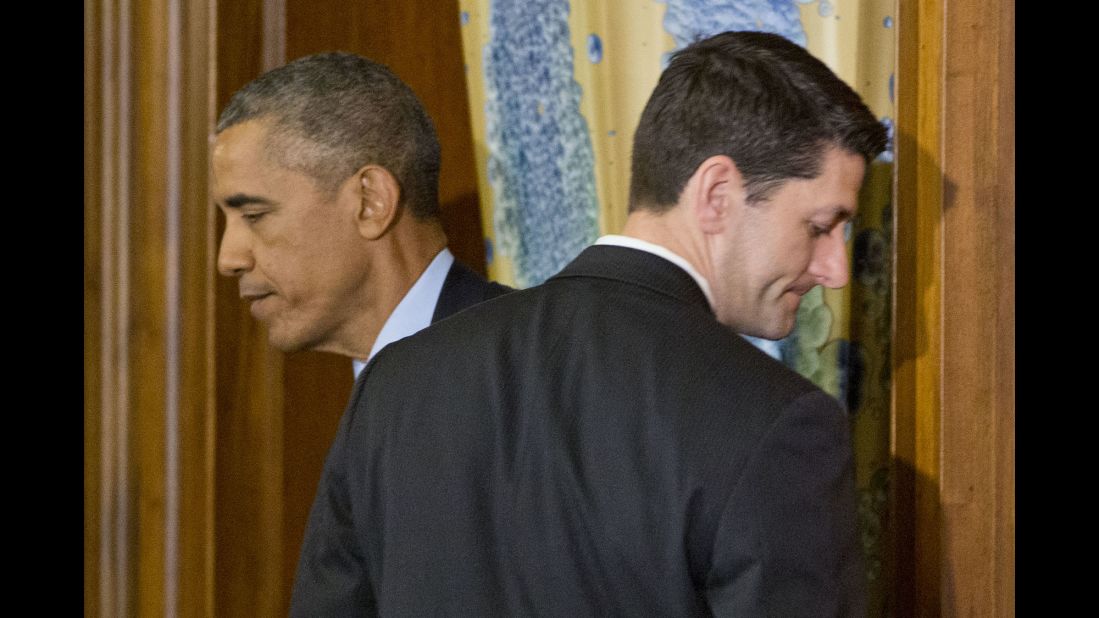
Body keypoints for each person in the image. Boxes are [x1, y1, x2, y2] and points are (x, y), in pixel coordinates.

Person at [291, 31, 887, 616]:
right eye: (820, 225)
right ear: (716, 193)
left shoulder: (396, 381)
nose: (835, 269)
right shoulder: (777, 421)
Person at [213, 52, 509, 376]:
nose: (228, 260)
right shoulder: (375, 396)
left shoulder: (530, 367)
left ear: (371, 202)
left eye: (255, 214)